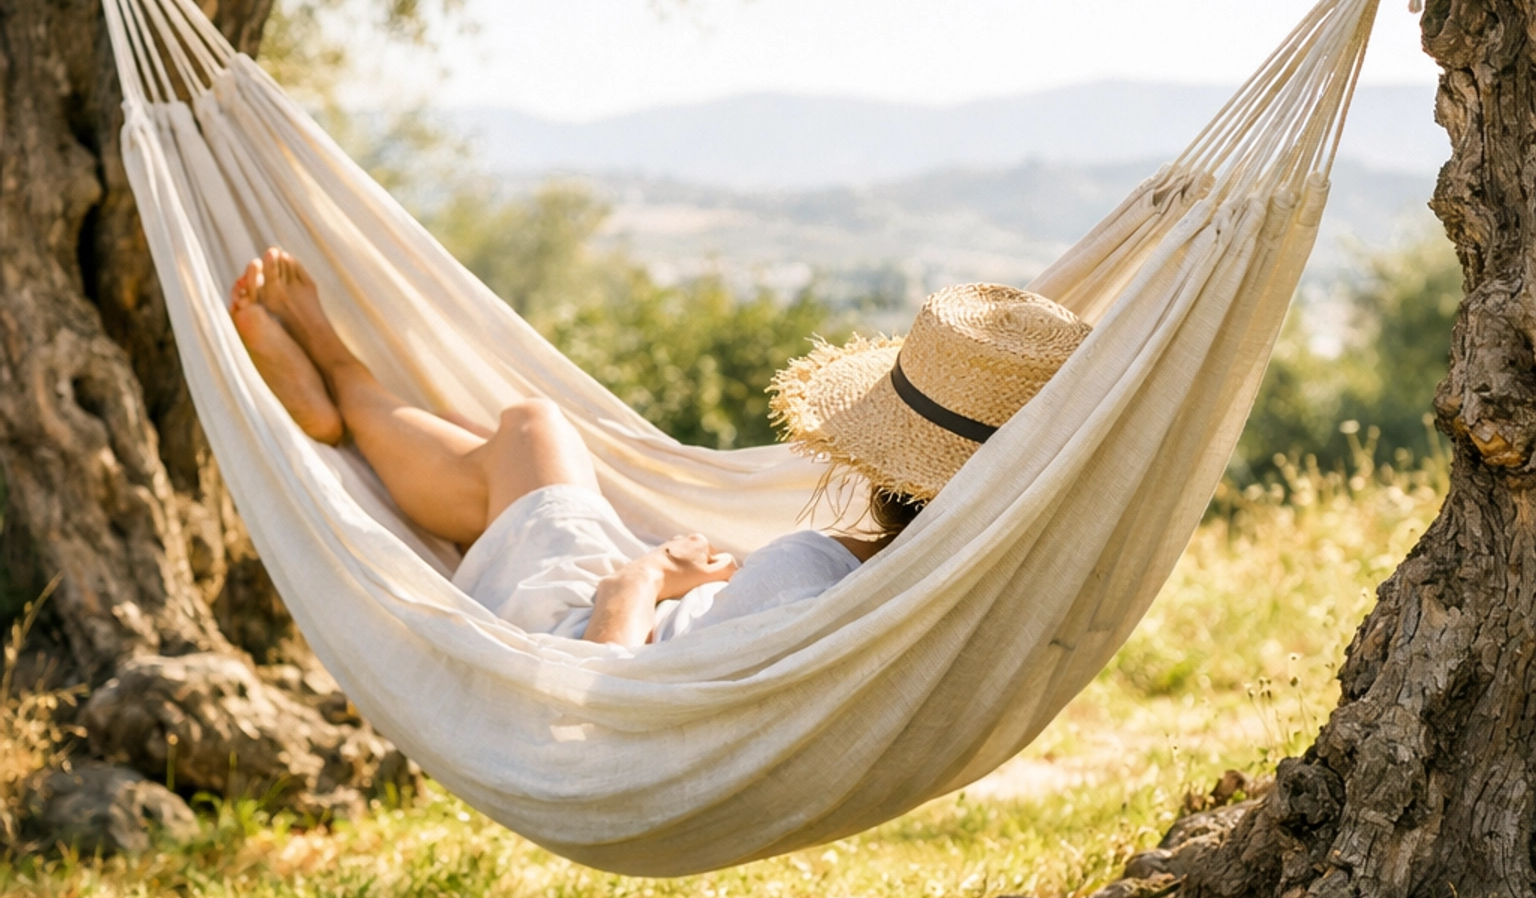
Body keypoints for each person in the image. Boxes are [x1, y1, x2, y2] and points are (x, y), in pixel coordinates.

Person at [230, 254, 1088, 647]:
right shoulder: (912, 594)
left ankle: (339, 376)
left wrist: (650, 574)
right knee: (502, 467)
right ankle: (343, 398)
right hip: (648, 613)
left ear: (883, 468)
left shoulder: (805, 579)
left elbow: (607, 697)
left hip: (570, 624)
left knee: (531, 428)